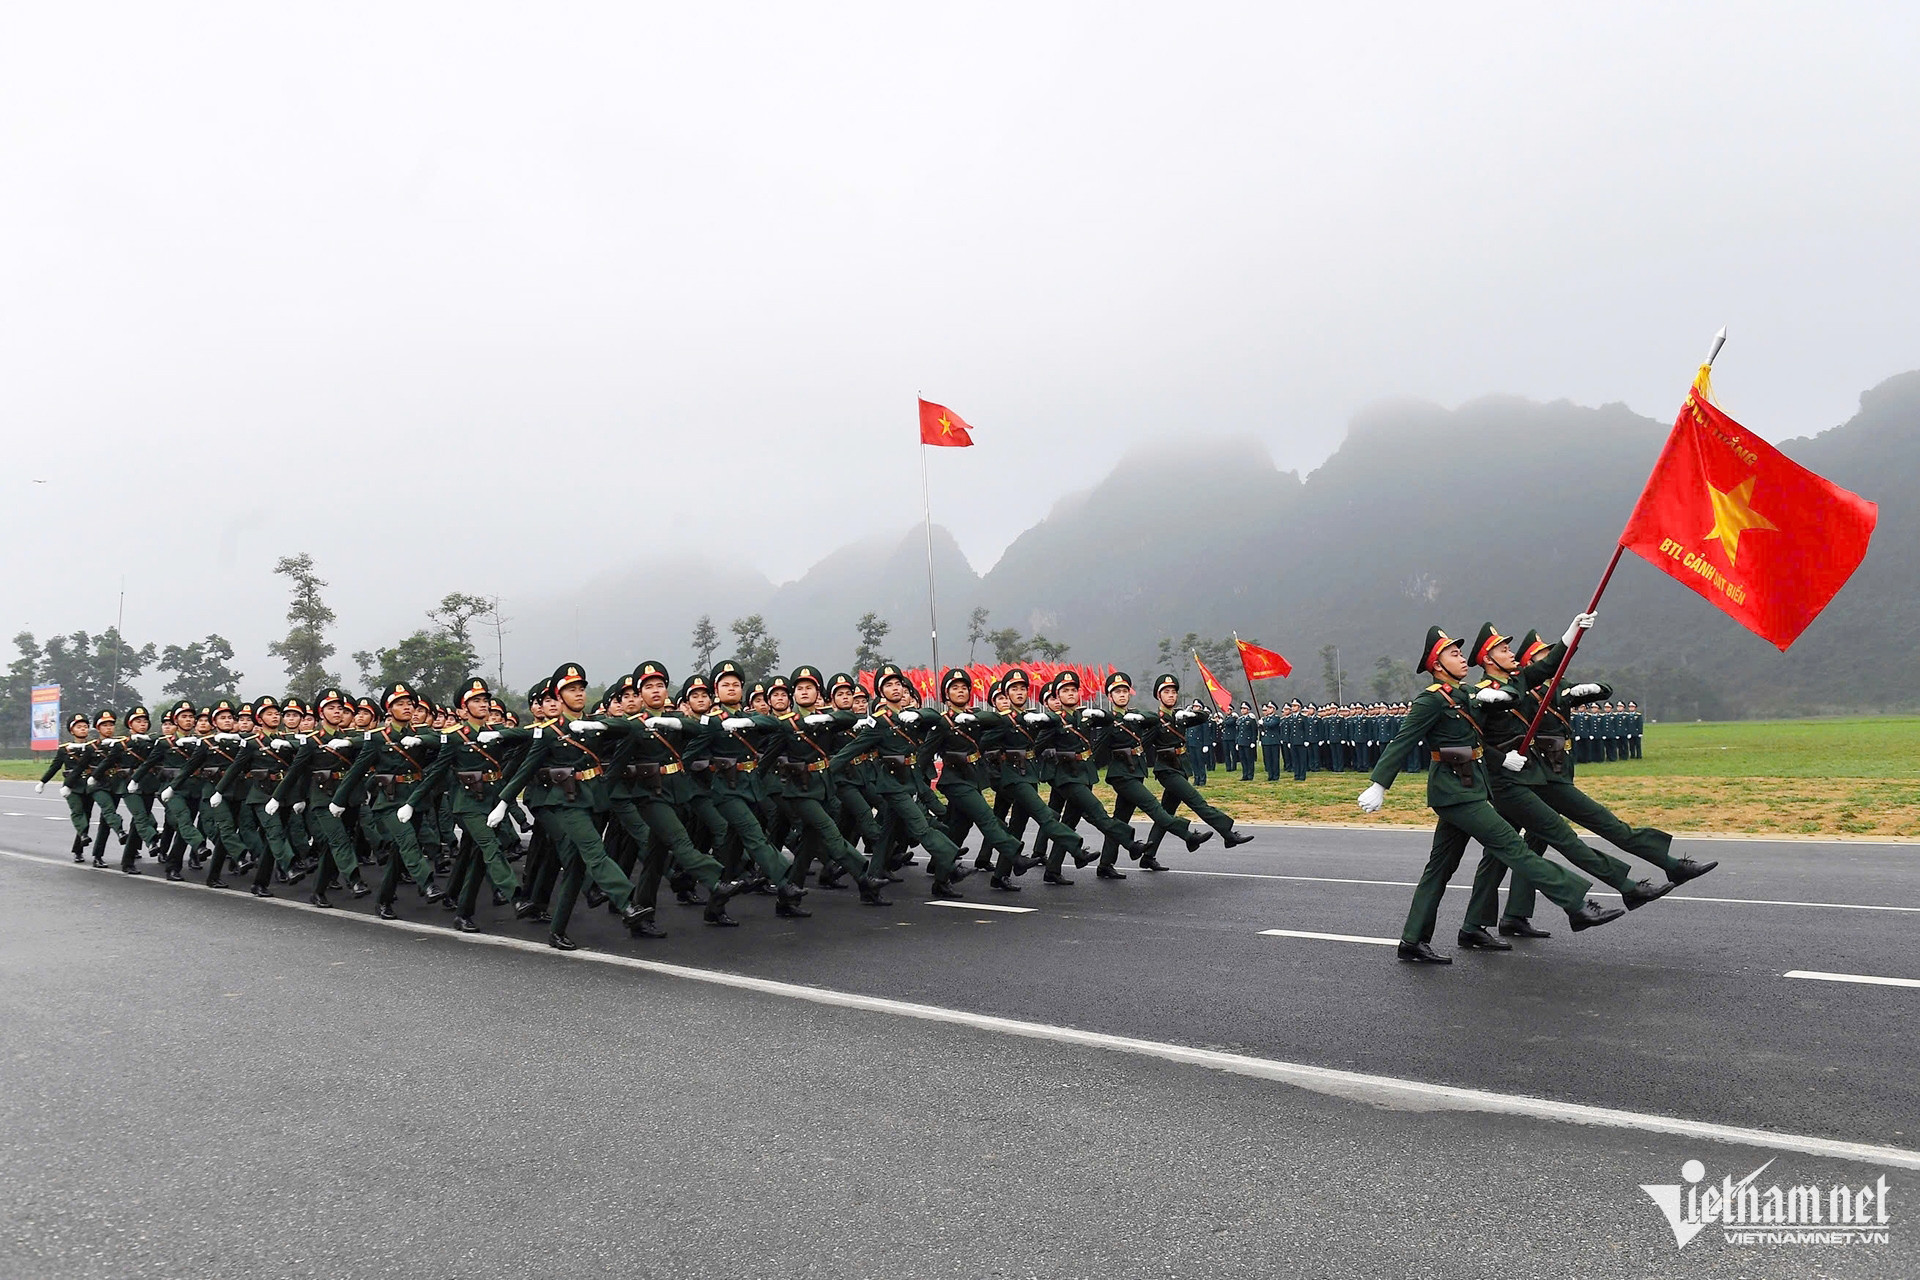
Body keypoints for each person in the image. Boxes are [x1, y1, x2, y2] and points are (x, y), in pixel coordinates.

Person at [1357, 622, 1624, 964]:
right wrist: (1379, 784)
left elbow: (1486, 734)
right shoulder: (1431, 701)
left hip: (1472, 787)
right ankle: (1576, 903)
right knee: (1512, 846)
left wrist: (1570, 635)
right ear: (1437, 665)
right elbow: (1404, 740)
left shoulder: (1467, 695)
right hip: (1453, 792)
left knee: (1440, 868)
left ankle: (1413, 939)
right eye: (1454, 654)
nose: (1462, 658)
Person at [1258, 702, 1283, 781]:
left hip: (1274, 741)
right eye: (1267, 708)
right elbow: (1261, 728)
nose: (1268, 710)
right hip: (1266, 741)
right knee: (1268, 759)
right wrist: (1261, 725)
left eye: (1270, 708)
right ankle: (1270, 775)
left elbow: (1271, 725)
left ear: (1274, 709)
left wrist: (1263, 723)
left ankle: (1276, 775)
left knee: (1275, 759)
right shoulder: (1265, 718)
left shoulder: (1276, 718)